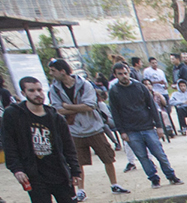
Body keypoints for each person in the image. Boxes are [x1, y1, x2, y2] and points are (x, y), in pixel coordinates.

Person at [0, 76, 88, 203]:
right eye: (32, 91)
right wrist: (17, 168)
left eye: (39, 90)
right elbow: (9, 143)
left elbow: (68, 146)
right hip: (33, 173)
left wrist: (75, 170)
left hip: (58, 171)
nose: (37, 94)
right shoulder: (13, 115)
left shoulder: (54, 117)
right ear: (23, 92)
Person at [49, 58, 130, 195]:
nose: (51, 73)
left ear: (63, 71)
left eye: (53, 70)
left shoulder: (84, 84)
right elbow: (57, 109)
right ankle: (81, 190)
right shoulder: (54, 89)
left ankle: (114, 184)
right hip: (74, 130)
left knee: (107, 158)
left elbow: (90, 105)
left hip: (94, 128)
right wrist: (79, 107)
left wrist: (67, 106)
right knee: (77, 162)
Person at [107, 62, 183, 187]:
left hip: (148, 127)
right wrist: (122, 132)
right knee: (142, 157)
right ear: (115, 75)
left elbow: (152, 106)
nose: (124, 76)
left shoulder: (139, 87)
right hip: (130, 130)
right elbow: (115, 113)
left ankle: (171, 176)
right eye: (120, 74)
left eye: (125, 73)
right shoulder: (114, 91)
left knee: (160, 154)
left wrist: (158, 126)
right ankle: (154, 179)